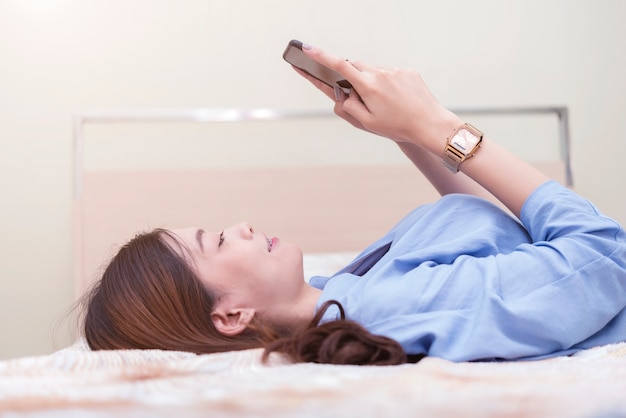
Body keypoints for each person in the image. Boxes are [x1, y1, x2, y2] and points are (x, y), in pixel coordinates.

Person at [82, 43, 626, 365]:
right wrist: (442, 127)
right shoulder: (383, 312)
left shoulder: (338, 292)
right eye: (218, 241)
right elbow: (604, 257)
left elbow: (505, 239)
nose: (242, 226)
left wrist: (406, 134)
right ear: (231, 316)